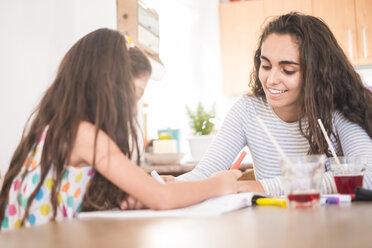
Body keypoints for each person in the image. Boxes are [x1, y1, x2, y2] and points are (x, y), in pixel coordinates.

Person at [0, 28, 241, 230]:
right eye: (134, 96)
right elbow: (162, 198)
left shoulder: (58, 130)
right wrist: (220, 183)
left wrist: (140, 187)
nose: (134, 110)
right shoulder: (83, 135)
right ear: (106, 88)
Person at [177, 12, 372, 197]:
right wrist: (167, 187)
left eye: (287, 70)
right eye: (266, 66)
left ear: (316, 73)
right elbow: (203, 172)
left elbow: (368, 177)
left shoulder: (338, 108)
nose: (271, 80)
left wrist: (264, 186)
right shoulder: (248, 110)